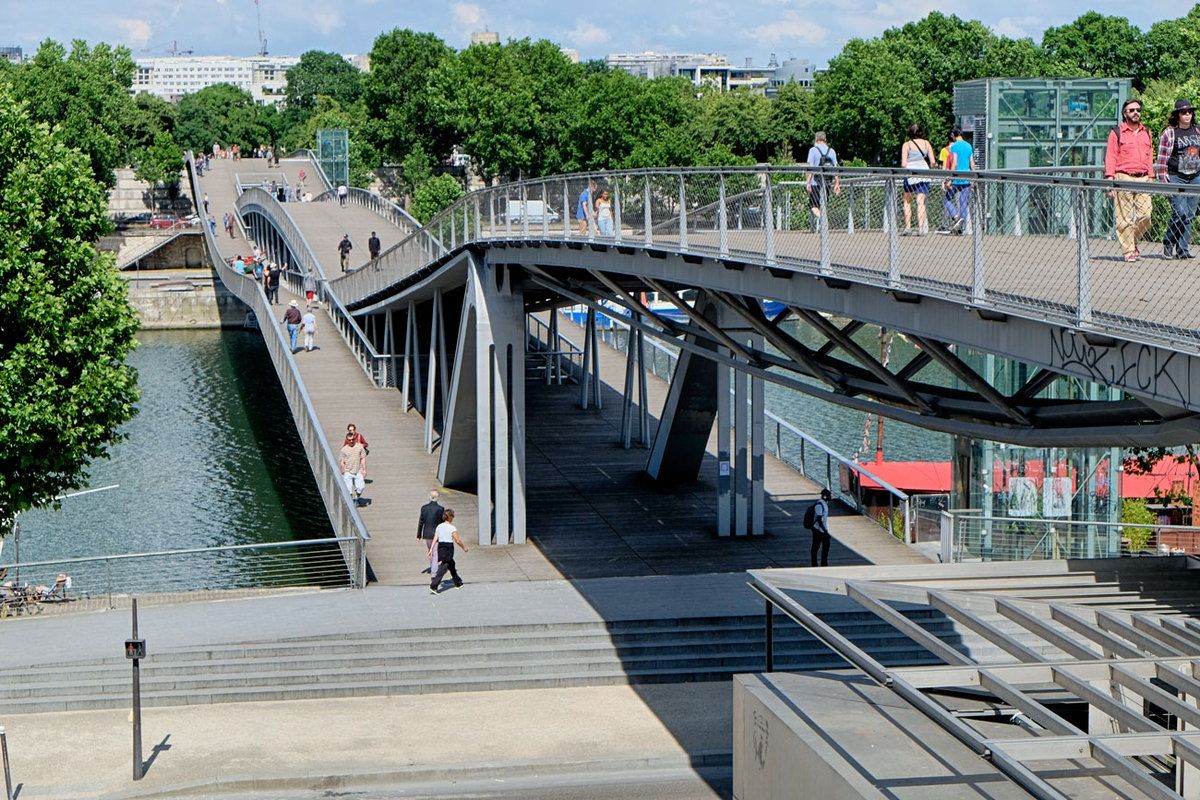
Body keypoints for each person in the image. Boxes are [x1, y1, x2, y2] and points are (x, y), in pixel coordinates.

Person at [1105, 98, 1155, 262]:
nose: (1136, 113)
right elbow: (1111, 156)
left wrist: (1151, 175)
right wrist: (1110, 180)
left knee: (1146, 215)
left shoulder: (1146, 131)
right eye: (1132, 110)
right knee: (1124, 217)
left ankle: (1132, 241)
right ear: (1125, 113)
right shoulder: (1117, 132)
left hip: (1142, 177)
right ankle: (1128, 251)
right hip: (1123, 176)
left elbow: (1149, 156)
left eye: (1138, 110)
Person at [1156, 99, 1200, 260]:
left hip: (1195, 177)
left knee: (1190, 214)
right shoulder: (1169, 132)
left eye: (1189, 112)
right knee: (1179, 212)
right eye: (1183, 112)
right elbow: (1161, 159)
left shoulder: (1197, 130)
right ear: (1177, 115)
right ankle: (1169, 240)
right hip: (1176, 177)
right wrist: (1163, 182)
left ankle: (1183, 250)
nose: (1187, 115)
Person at [900, 123, 936, 236]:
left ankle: (908, 227)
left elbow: (904, 163)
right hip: (924, 172)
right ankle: (921, 229)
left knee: (907, 200)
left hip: (910, 173)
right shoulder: (926, 143)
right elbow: (933, 162)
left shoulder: (907, 145)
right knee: (921, 202)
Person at [941, 127, 975, 235]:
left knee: (947, 199)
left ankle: (956, 216)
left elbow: (954, 162)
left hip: (956, 177)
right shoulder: (969, 145)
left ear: (953, 135)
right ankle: (961, 223)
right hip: (967, 177)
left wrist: (950, 178)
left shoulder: (954, 146)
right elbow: (972, 162)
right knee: (963, 201)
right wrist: (974, 177)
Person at [805, 132, 841, 229]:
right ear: (825, 140)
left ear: (816, 140)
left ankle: (823, 219)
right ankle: (824, 222)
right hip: (827, 182)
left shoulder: (813, 150)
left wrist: (808, 182)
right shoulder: (831, 151)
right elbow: (835, 168)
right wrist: (837, 183)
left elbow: (810, 168)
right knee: (823, 204)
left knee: (813, 205)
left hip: (815, 182)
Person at [430, 508, 468, 594]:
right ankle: (434, 586)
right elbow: (457, 540)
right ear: (450, 517)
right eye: (453, 516)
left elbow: (435, 538)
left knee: (452, 564)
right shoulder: (452, 528)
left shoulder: (439, 526)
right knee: (443, 567)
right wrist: (464, 548)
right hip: (448, 547)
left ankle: (458, 582)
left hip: (441, 546)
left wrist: (431, 549)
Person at [416, 489, 444, 574]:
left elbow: (421, 522)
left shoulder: (424, 508)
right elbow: (442, 523)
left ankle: (432, 567)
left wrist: (418, 535)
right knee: (435, 552)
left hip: (427, 534)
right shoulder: (440, 509)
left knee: (430, 551)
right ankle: (434, 572)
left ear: (429, 497)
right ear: (437, 498)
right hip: (436, 534)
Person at [338, 433, 367, 505]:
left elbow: (363, 458)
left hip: (358, 470)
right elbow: (342, 461)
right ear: (347, 440)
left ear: (355, 439)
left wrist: (364, 469)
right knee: (348, 490)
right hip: (348, 471)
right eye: (349, 440)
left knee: (361, 487)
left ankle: (357, 497)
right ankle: (351, 502)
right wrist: (342, 470)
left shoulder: (360, 447)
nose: (351, 441)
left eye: (353, 439)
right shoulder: (343, 449)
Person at [809, 488, 832, 567]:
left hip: (820, 529)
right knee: (818, 546)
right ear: (825, 496)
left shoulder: (824, 504)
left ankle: (821, 563)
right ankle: (818, 563)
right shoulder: (819, 505)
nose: (830, 497)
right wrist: (825, 532)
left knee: (819, 545)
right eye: (829, 495)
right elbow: (819, 519)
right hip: (818, 530)